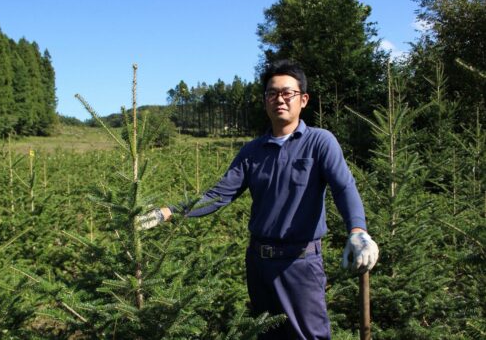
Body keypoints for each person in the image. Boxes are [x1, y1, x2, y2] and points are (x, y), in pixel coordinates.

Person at [138, 59, 379, 339]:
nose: (279, 99)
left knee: (308, 336)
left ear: (303, 99)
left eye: (287, 93)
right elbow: (217, 196)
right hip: (258, 263)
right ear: (265, 101)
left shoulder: (319, 142)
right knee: (266, 333)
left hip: (299, 263)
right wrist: (166, 212)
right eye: (272, 93)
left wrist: (358, 231)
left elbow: (343, 187)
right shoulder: (252, 151)